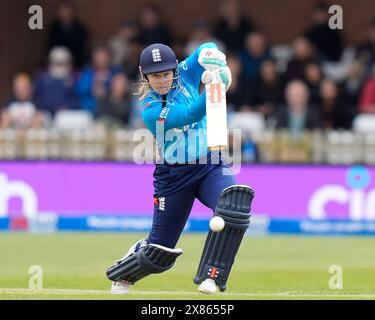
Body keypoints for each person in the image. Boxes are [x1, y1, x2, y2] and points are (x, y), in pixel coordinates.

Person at [106, 43, 254, 294]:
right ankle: (124, 271)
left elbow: (203, 52)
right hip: (174, 177)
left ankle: (212, 277)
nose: (162, 80)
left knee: (233, 203)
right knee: (159, 254)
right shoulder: (151, 110)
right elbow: (189, 114)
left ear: (174, 68)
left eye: (166, 73)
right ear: (145, 76)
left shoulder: (185, 73)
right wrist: (216, 89)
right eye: (155, 76)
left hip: (209, 164)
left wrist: (212, 56)